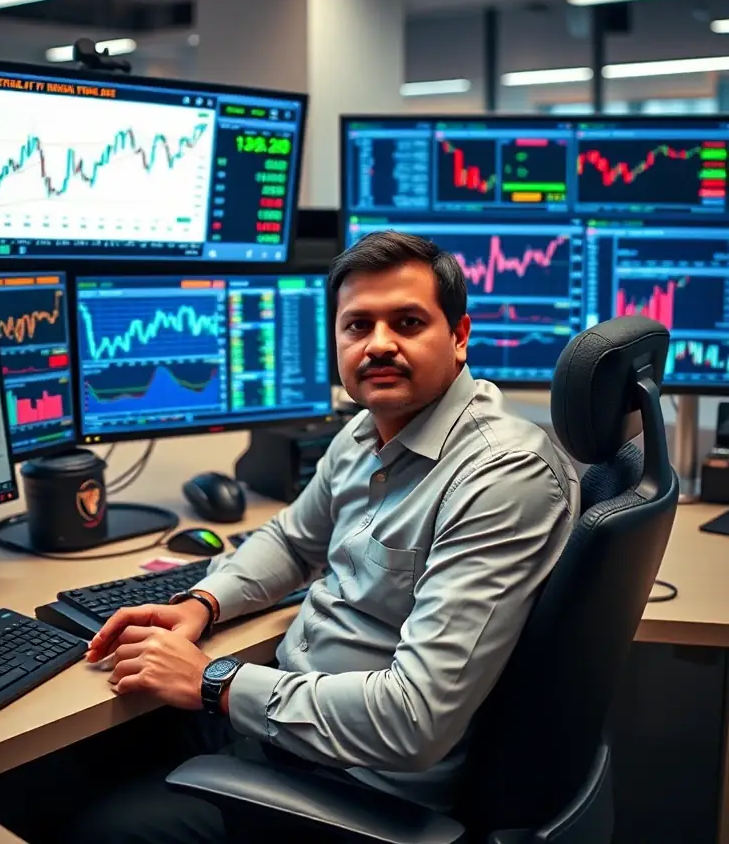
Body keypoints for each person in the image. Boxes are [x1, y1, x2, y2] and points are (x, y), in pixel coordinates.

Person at [75, 230, 580, 843]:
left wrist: (214, 681)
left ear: (460, 336)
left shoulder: (501, 475)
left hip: (356, 788)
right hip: (284, 727)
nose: (379, 345)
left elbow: (413, 721)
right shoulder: (369, 431)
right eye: (357, 326)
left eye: (409, 321)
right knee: (79, 762)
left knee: (90, 824)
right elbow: (292, 541)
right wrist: (201, 604)